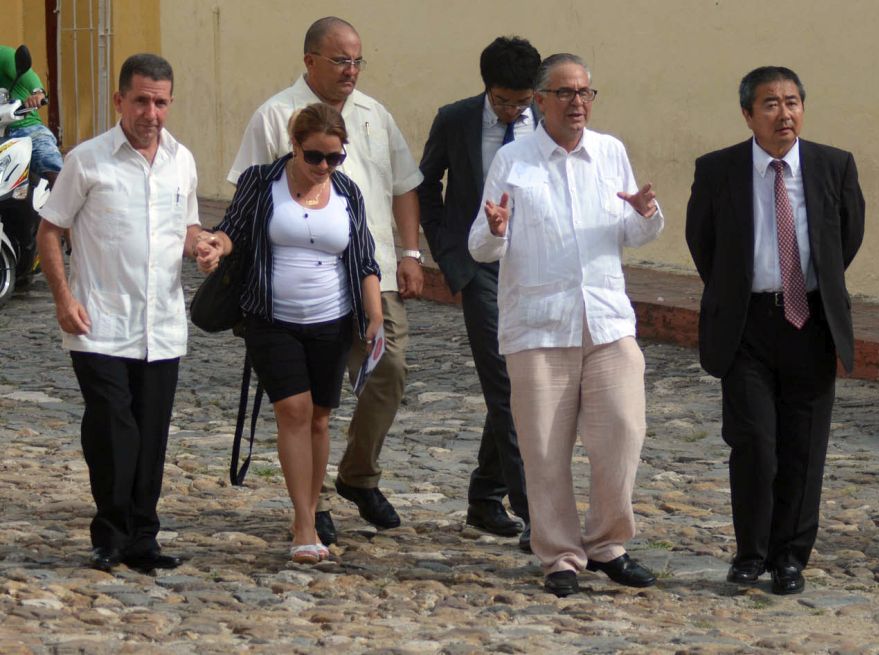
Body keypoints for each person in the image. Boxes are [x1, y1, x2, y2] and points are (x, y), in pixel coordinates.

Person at [468, 53, 663, 597]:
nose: (578, 102)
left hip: (605, 320)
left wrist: (645, 213)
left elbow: (633, 233)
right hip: (538, 326)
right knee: (544, 449)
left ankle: (608, 544)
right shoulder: (514, 160)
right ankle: (558, 556)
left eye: (585, 93)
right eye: (565, 93)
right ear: (540, 100)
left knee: (623, 432)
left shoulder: (610, 152)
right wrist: (497, 228)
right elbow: (480, 245)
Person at [228, 16, 423, 544]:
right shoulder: (274, 115)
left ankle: (357, 474)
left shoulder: (374, 116)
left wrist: (409, 251)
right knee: (306, 403)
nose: (351, 70)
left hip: (366, 269)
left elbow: (404, 184)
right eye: (341, 60)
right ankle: (309, 509)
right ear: (310, 60)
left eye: (358, 60)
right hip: (290, 287)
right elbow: (245, 200)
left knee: (389, 368)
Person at [685, 66, 864, 595]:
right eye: (770, 104)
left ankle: (789, 557)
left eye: (792, 102)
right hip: (747, 325)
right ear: (748, 114)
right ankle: (750, 553)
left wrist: (813, 289)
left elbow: (845, 238)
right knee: (755, 443)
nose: (784, 114)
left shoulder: (834, 166)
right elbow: (704, 245)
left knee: (804, 447)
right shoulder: (719, 170)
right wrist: (739, 293)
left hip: (810, 319)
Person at [36, 53, 216, 572]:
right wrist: (63, 298)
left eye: (160, 102)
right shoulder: (88, 160)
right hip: (99, 322)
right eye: (141, 100)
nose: (151, 113)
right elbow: (51, 229)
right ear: (120, 101)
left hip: (160, 325)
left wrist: (203, 246)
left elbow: (185, 230)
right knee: (115, 430)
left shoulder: (182, 160)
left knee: (151, 434)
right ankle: (110, 534)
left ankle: (143, 538)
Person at [201, 103, 382, 563]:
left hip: (332, 320)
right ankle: (303, 521)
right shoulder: (262, 182)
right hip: (271, 317)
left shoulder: (347, 192)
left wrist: (375, 316)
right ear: (294, 146)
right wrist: (214, 246)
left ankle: (313, 504)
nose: (324, 166)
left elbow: (363, 259)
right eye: (315, 156)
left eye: (334, 157)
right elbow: (232, 229)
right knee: (294, 410)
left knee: (320, 417)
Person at [419, 36, 541, 550]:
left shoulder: (551, 120)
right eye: (503, 100)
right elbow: (426, 187)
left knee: (522, 380)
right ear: (486, 87)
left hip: (537, 269)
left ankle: (485, 495)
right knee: (509, 384)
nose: (514, 110)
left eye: (522, 100)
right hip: (481, 269)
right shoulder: (456, 119)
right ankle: (536, 512)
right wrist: (451, 260)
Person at [0, 44, 63, 185]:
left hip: (24, 127)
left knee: (49, 162)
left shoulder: (3, 55)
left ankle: (68, 203)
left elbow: (28, 76)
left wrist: (37, 93)